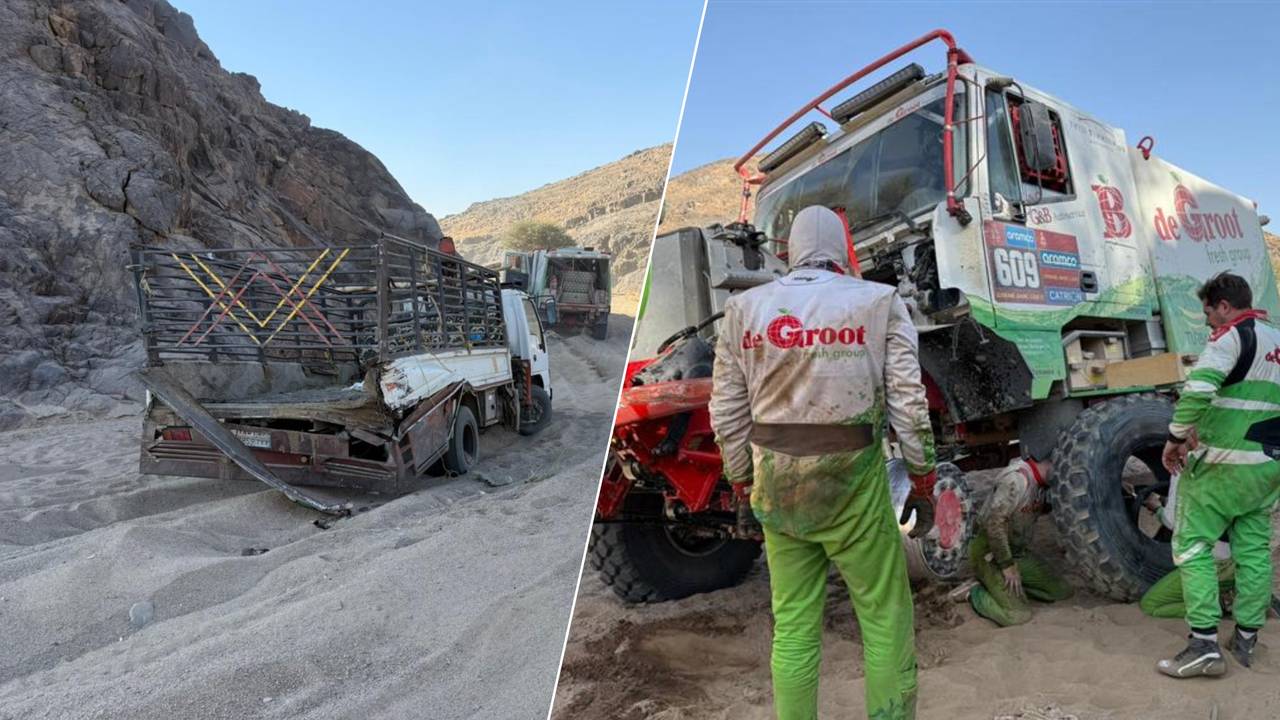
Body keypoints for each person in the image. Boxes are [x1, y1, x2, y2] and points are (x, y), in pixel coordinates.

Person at [709, 205, 937, 720]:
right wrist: (922, 476)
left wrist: (742, 482)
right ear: (842, 246)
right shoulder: (879, 302)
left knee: (792, 628)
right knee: (884, 621)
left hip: (778, 489)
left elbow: (727, 413)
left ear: (787, 251)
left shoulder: (743, 312)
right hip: (854, 489)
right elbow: (908, 401)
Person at [1158, 272, 1280, 677]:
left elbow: (1198, 390)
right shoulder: (1276, 338)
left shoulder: (1231, 337)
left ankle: (1204, 645)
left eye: (1208, 313)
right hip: (1267, 467)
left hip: (1222, 465)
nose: (1208, 321)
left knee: (1192, 546)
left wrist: (1176, 436)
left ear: (1223, 306)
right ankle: (1246, 638)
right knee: (1253, 551)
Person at [967, 455, 1073, 626]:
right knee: (1017, 615)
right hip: (990, 553)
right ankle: (974, 592)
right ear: (1049, 461)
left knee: (1062, 591)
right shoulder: (1016, 481)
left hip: (1017, 552)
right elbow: (994, 525)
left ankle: (1007, 589)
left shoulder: (1042, 485)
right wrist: (1007, 565)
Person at [1139, 473, 1236, 620]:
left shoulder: (1183, 467)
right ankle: (1228, 594)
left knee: (1150, 605)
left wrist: (1157, 508)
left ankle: (1216, 606)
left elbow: (1172, 521)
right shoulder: (1228, 464)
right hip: (1241, 562)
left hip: (1211, 564)